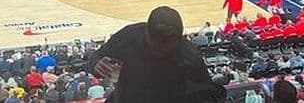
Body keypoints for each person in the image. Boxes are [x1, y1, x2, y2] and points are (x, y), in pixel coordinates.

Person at [87, 6, 225, 102]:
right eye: (158, 46)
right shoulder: (129, 35)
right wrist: (97, 64)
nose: (162, 51)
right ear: (146, 32)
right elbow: (98, 56)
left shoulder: (191, 59)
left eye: (168, 47)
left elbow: (208, 95)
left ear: (179, 38)